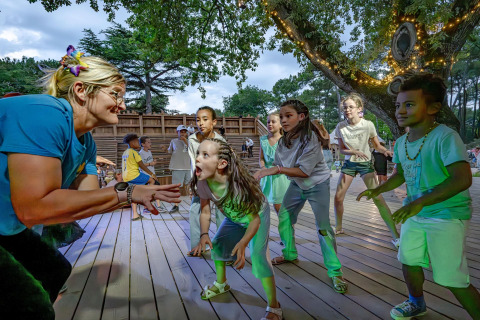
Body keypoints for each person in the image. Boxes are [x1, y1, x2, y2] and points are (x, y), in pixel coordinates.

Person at [0, 48, 180, 320]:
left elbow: (89, 200)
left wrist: (134, 195)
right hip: (13, 221)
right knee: (31, 304)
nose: (122, 104)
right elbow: (34, 209)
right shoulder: (45, 114)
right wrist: (127, 192)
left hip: (6, 227)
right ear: (82, 90)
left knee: (54, 270)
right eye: (116, 94)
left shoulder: (87, 143)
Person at [357, 74, 480, 320]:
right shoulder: (402, 142)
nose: (400, 110)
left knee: (450, 277)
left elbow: (462, 179)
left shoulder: (445, 137)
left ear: (434, 107)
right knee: (408, 259)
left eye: (409, 104)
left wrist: (419, 201)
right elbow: (401, 174)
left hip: (446, 216)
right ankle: (416, 303)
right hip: (415, 212)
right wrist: (379, 189)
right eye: (398, 105)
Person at [254, 99, 347, 294]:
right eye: (282, 117)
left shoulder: (310, 138)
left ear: (301, 117)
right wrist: (257, 178)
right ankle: (289, 254)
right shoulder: (283, 142)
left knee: (323, 227)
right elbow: (278, 167)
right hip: (296, 185)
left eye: (288, 116)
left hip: (317, 184)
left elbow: (304, 171)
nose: (284, 120)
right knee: (285, 218)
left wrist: (274, 169)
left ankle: (335, 271)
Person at [192, 138, 282, 320]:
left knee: (258, 258)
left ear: (222, 164)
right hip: (234, 217)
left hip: (256, 215)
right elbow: (205, 211)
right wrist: (203, 234)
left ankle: (274, 306)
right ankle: (222, 284)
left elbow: (254, 220)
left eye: (205, 155)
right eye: (198, 154)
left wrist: (243, 242)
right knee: (217, 245)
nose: (198, 159)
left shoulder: (236, 187)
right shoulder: (203, 183)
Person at [333, 93, 400, 248]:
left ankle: (396, 236)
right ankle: (338, 227)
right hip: (349, 164)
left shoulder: (368, 125)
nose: (347, 110)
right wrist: (354, 152)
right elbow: (342, 150)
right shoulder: (340, 127)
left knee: (378, 198)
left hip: (365, 164)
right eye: (345, 107)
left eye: (351, 107)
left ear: (359, 108)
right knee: (338, 198)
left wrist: (385, 151)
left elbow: (376, 145)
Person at [187, 106, 227, 256]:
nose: (201, 123)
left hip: (217, 181)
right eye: (198, 120)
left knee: (222, 213)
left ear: (214, 122)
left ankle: (223, 248)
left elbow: (223, 164)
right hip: (199, 179)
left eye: (205, 119)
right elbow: (192, 162)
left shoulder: (220, 141)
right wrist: (193, 184)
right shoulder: (192, 139)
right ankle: (199, 245)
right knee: (195, 210)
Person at [122, 133, 161, 220]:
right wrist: (152, 174)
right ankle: (148, 203)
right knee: (152, 181)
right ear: (132, 143)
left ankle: (135, 215)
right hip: (134, 174)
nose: (138, 143)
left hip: (126, 176)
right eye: (137, 141)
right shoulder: (134, 152)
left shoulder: (125, 152)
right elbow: (142, 165)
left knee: (132, 194)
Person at [259, 112, 290, 215]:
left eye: (273, 121)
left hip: (280, 177)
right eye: (268, 122)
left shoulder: (285, 140)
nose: (270, 124)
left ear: (281, 124)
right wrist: (263, 167)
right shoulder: (263, 140)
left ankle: (288, 229)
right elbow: (261, 158)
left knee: (280, 209)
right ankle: (264, 230)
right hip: (266, 177)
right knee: (262, 207)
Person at [168, 125, 192, 213]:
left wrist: (185, 140)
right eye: (181, 131)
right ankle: (176, 205)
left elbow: (193, 149)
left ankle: (193, 205)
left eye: (184, 131)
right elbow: (169, 151)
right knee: (176, 188)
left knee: (190, 186)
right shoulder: (173, 141)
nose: (183, 133)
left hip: (188, 167)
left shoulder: (190, 141)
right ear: (177, 132)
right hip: (177, 167)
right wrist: (164, 149)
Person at [139, 136, 164, 212]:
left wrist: (153, 163)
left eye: (150, 142)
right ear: (143, 144)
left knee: (156, 189)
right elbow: (141, 165)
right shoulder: (140, 153)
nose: (150, 144)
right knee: (147, 192)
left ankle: (158, 206)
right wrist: (150, 163)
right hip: (145, 175)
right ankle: (146, 208)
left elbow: (150, 163)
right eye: (148, 142)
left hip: (152, 174)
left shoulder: (149, 152)